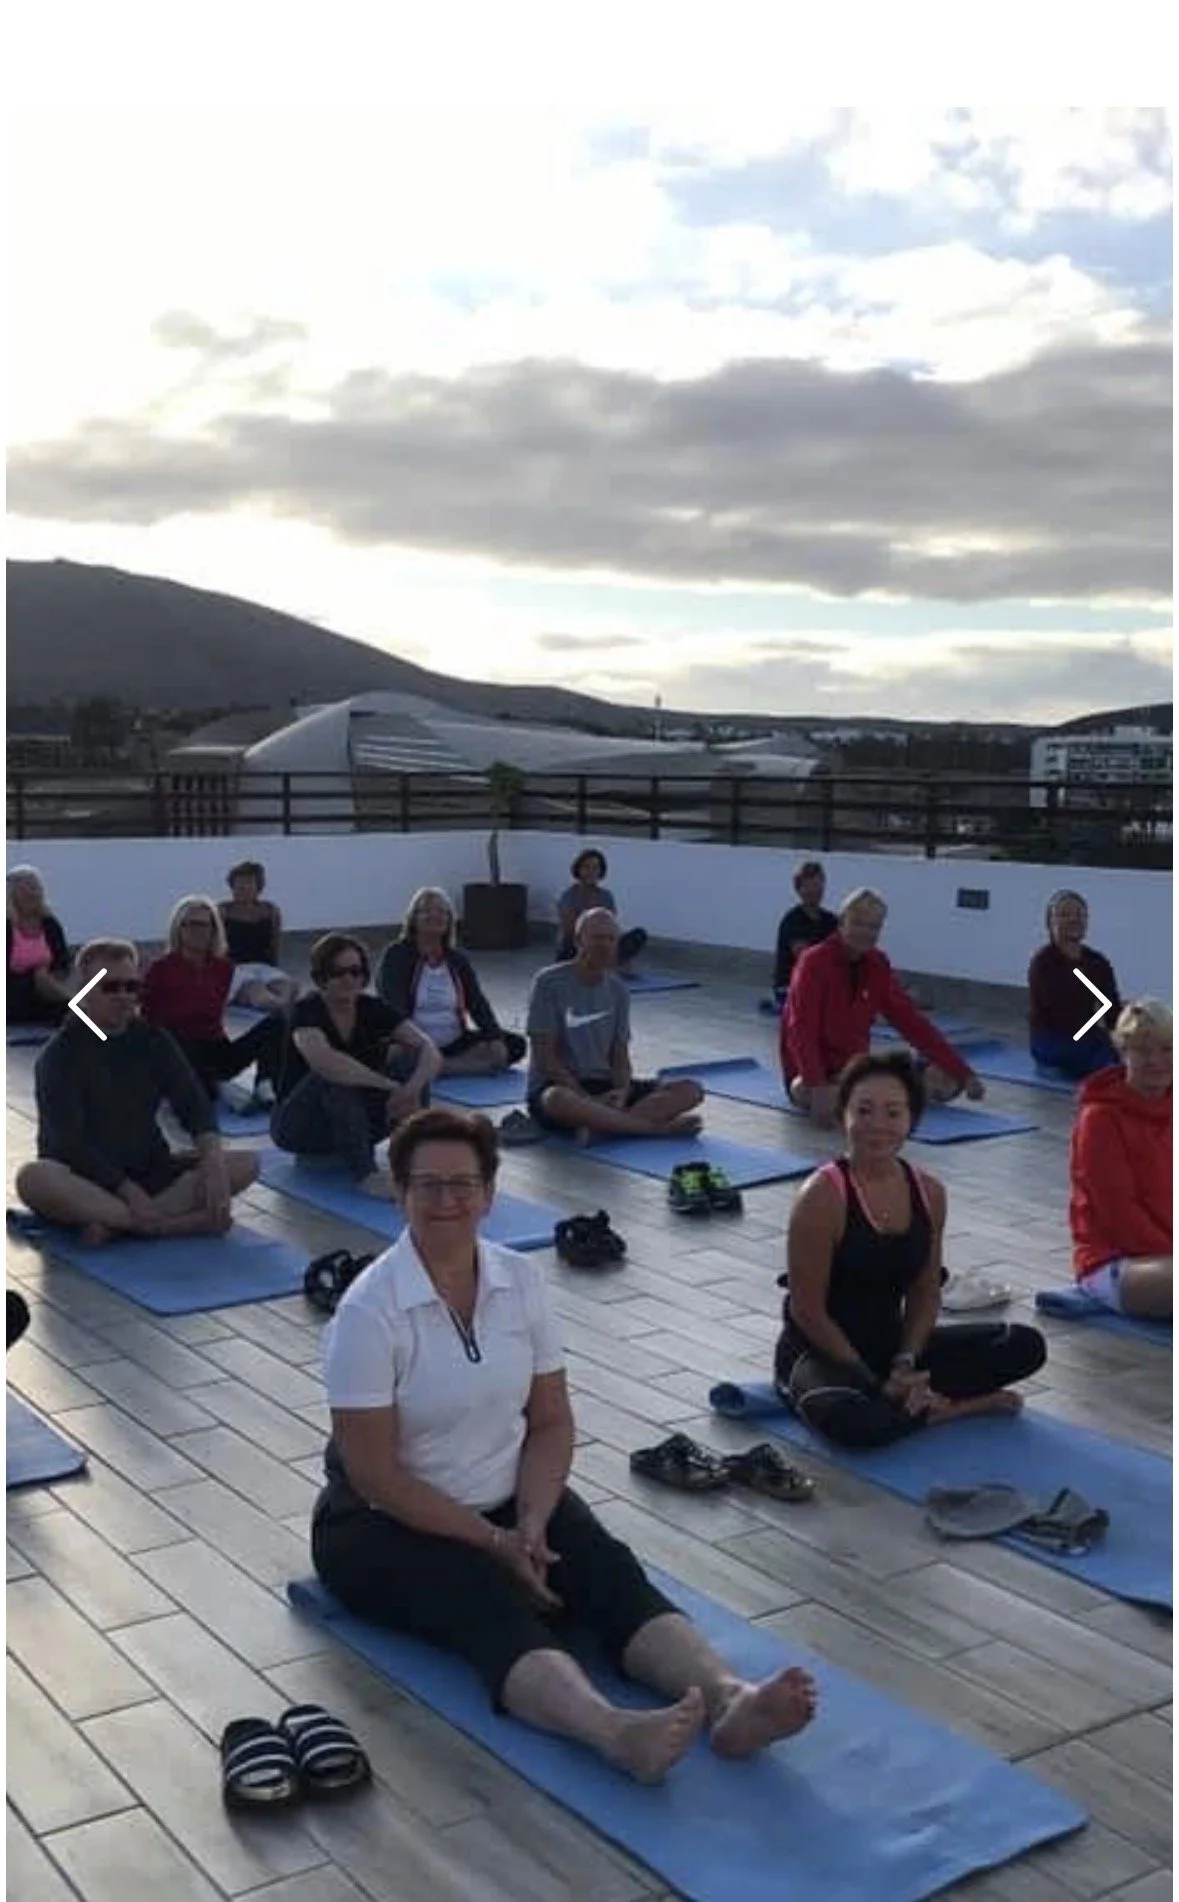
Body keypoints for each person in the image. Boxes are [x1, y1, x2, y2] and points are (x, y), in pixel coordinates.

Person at [312, 1105, 818, 1781]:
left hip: (508, 1497)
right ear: (400, 1194)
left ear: (489, 1195)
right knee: (484, 1602)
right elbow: (375, 1475)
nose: (446, 1201)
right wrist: (492, 1544)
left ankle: (731, 1701)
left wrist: (530, 1519)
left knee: (607, 1573)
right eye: (426, 1185)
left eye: (462, 1184)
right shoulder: (367, 1314)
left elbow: (550, 1421)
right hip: (381, 1525)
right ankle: (613, 1733)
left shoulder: (518, 1281)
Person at [774, 1052, 1046, 1446]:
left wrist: (905, 1362)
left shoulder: (929, 1192)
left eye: (892, 1113)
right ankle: (949, 1408)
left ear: (911, 1120)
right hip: (822, 1353)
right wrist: (872, 1380)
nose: (878, 1126)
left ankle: (922, 1404)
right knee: (854, 1425)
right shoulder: (821, 1197)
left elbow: (924, 1291)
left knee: (1023, 1344)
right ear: (843, 1117)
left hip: (890, 1347)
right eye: (864, 1111)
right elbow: (807, 1310)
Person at [15, 938, 258, 1247]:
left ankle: (116, 1224)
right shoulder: (60, 1055)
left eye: (131, 987)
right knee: (34, 1178)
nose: (123, 997)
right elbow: (68, 1144)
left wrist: (212, 1162)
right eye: (111, 987)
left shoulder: (153, 1040)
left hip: (151, 1170)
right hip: (85, 1179)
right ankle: (169, 1225)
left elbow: (193, 1105)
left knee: (246, 1163)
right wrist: (128, 1191)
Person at [781, 887, 985, 1127]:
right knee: (806, 1090)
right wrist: (816, 1085)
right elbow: (801, 1030)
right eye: (858, 923)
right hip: (813, 1076)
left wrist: (963, 1072)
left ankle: (870, 1098)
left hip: (856, 1071)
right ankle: (875, 1098)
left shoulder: (877, 964)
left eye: (873, 927)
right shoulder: (813, 962)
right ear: (842, 922)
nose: (865, 933)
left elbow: (912, 1023)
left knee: (948, 1081)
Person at [270, 932, 441, 1196]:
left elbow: (428, 1048)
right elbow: (324, 1062)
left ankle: (410, 1159)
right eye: (338, 972)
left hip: (359, 1119)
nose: (349, 979)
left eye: (355, 971)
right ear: (322, 976)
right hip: (301, 1125)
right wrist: (386, 1085)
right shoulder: (307, 1011)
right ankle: (366, 1176)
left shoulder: (372, 1008)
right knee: (333, 1078)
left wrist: (411, 1089)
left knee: (412, 1061)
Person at [527, 910, 704, 1140]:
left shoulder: (618, 989)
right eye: (597, 938)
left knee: (690, 1089)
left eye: (611, 939)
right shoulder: (548, 982)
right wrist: (585, 1099)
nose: (605, 945)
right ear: (579, 941)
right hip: (562, 1087)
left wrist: (621, 1092)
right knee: (556, 1099)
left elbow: (620, 1056)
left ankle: (603, 1127)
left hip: (604, 1085)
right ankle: (652, 1129)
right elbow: (546, 1059)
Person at [1069, 998, 1172, 1319]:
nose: (1155, 1060)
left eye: (1167, 1049)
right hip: (1118, 1260)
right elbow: (1121, 1218)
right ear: (1123, 1053)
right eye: (1142, 1050)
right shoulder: (1100, 1119)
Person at [141, 896, 286, 1106]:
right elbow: (144, 1018)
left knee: (277, 1023)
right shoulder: (160, 969)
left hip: (215, 1049)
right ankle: (216, 1087)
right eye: (189, 925)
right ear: (178, 929)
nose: (196, 931)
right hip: (177, 1052)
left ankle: (264, 1084)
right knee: (203, 1093)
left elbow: (247, 993)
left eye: (203, 925)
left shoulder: (223, 968)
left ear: (213, 930)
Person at [376, 887, 526, 1075]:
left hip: (454, 1041)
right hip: (413, 1041)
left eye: (442, 911)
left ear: (449, 920)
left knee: (515, 1045)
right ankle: (451, 1066)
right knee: (389, 1054)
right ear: (413, 919)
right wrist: (418, 1043)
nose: (435, 916)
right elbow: (393, 1007)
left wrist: (494, 1037)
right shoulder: (396, 955)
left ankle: (441, 1067)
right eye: (427, 911)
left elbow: (477, 1002)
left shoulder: (456, 959)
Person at [1029, 890, 1122, 1079]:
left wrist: (1122, 1036)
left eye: (1079, 915)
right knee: (1101, 1064)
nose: (1073, 920)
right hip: (1053, 1037)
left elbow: (1112, 1007)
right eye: (1064, 915)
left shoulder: (1097, 962)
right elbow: (1059, 1011)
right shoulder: (1043, 963)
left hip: (1088, 1036)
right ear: (1050, 923)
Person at [218, 861, 299, 1012]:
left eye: (248, 883)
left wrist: (275, 974)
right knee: (259, 993)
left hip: (264, 969)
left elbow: (275, 946)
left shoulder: (270, 911)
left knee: (289, 987)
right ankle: (278, 1008)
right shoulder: (223, 911)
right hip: (236, 970)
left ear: (258, 887)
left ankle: (279, 1006)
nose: (243, 887)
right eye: (238, 883)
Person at [555, 849, 648, 970]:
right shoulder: (568, 896)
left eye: (595, 868)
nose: (591, 872)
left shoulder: (606, 896)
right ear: (578, 870)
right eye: (586, 867)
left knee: (638, 935)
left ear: (601, 871)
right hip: (576, 948)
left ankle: (611, 963)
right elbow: (570, 931)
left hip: (602, 945)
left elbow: (612, 926)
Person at [6, 865, 72, 1027]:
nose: (32, 894)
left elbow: (63, 963)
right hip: (11, 993)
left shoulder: (50, 924)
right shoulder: (6, 927)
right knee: (39, 978)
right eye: (25, 891)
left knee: (44, 981)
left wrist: (49, 976)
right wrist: (32, 977)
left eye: (35, 889)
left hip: (46, 992)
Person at [772, 860, 837, 1006]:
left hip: (821, 985)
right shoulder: (792, 920)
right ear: (798, 890)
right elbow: (806, 960)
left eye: (818, 885)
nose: (814, 890)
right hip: (790, 987)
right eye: (808, 886)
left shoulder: (831, 920)